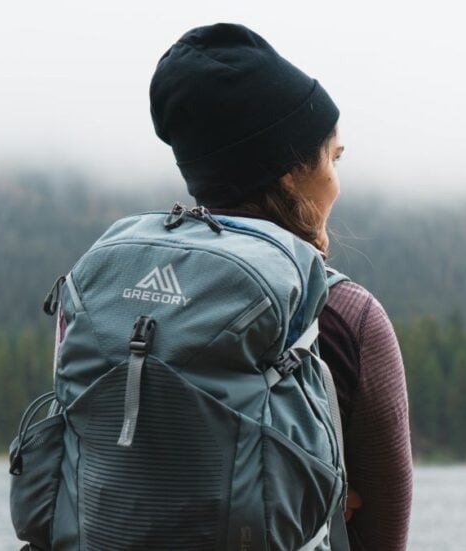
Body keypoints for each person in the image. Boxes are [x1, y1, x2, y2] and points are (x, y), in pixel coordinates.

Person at [149, 22, 413, 550]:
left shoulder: (115, 289)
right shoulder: (345, 315)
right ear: (292, 172)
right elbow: (383, 533)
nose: (337, 180)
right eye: (332, 158)